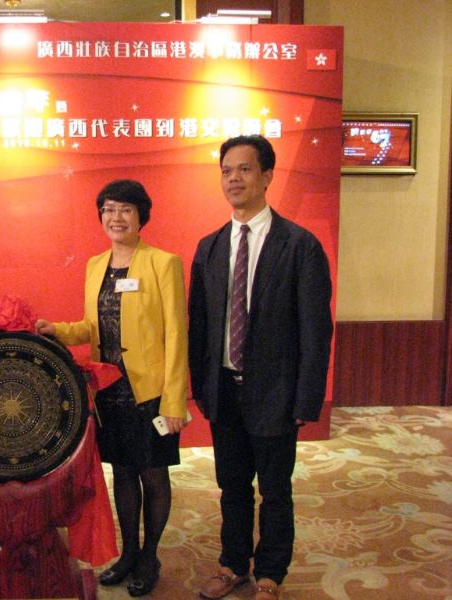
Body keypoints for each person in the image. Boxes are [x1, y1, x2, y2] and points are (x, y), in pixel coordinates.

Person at [188, 135, 333, 600]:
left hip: (276, 391)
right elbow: (199, 326)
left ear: (267, 176)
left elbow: (316, 329)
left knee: (274, 489)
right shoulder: (210, 247)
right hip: (224, 389)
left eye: (245, 169)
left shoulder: (300, 245)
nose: (234, 178)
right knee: (231, 485)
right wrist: (200, 388)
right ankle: (233, 564)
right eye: (226, 170)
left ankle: (270, 573)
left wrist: (306, 398)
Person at [36, 179, 188, 597]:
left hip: (150, 393)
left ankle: (150, 556)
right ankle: (129, 553)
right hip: (110, 391)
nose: (115, 217)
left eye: (125, 209)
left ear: (141, 216)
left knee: (153, 475)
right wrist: (57, 330)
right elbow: (93, 326)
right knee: (121, 472)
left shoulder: (163, 263)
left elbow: (177, 335)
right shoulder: (95, 265)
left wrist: (175, 401)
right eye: (108, 209)